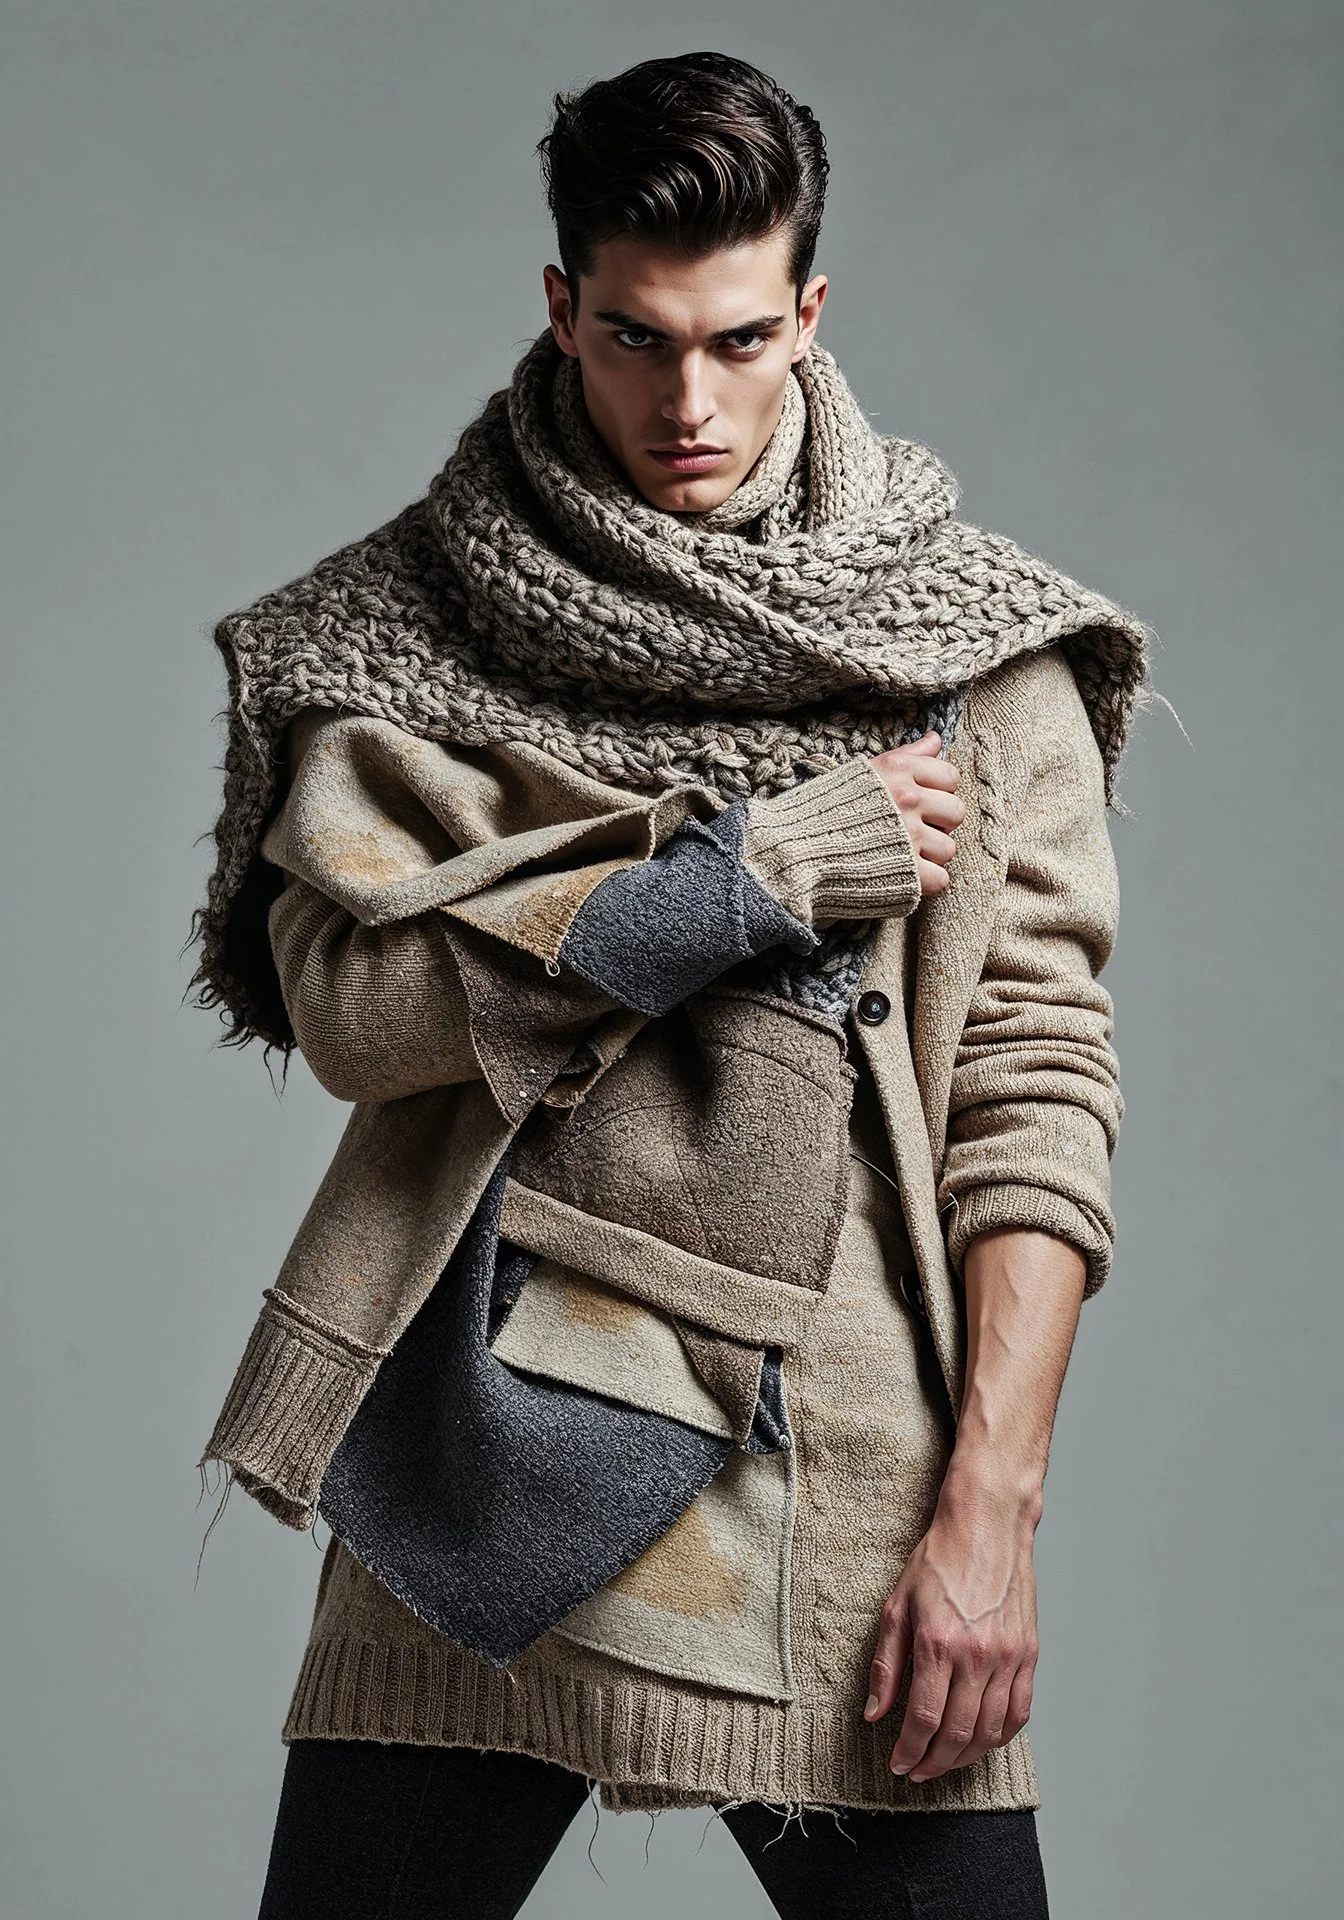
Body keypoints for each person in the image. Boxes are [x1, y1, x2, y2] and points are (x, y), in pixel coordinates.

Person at [191, 49, 1151, 1920]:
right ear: (562, 307)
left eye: (737, 341)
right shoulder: (397, 634)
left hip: (850, 1484)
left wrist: (993, 1514)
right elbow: (354, 1017)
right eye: (635, 339)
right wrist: (743, 881)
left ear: (811, 310)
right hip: (479, 1447)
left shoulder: (967, 653)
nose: (686, 403)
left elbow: (1036, 1093)